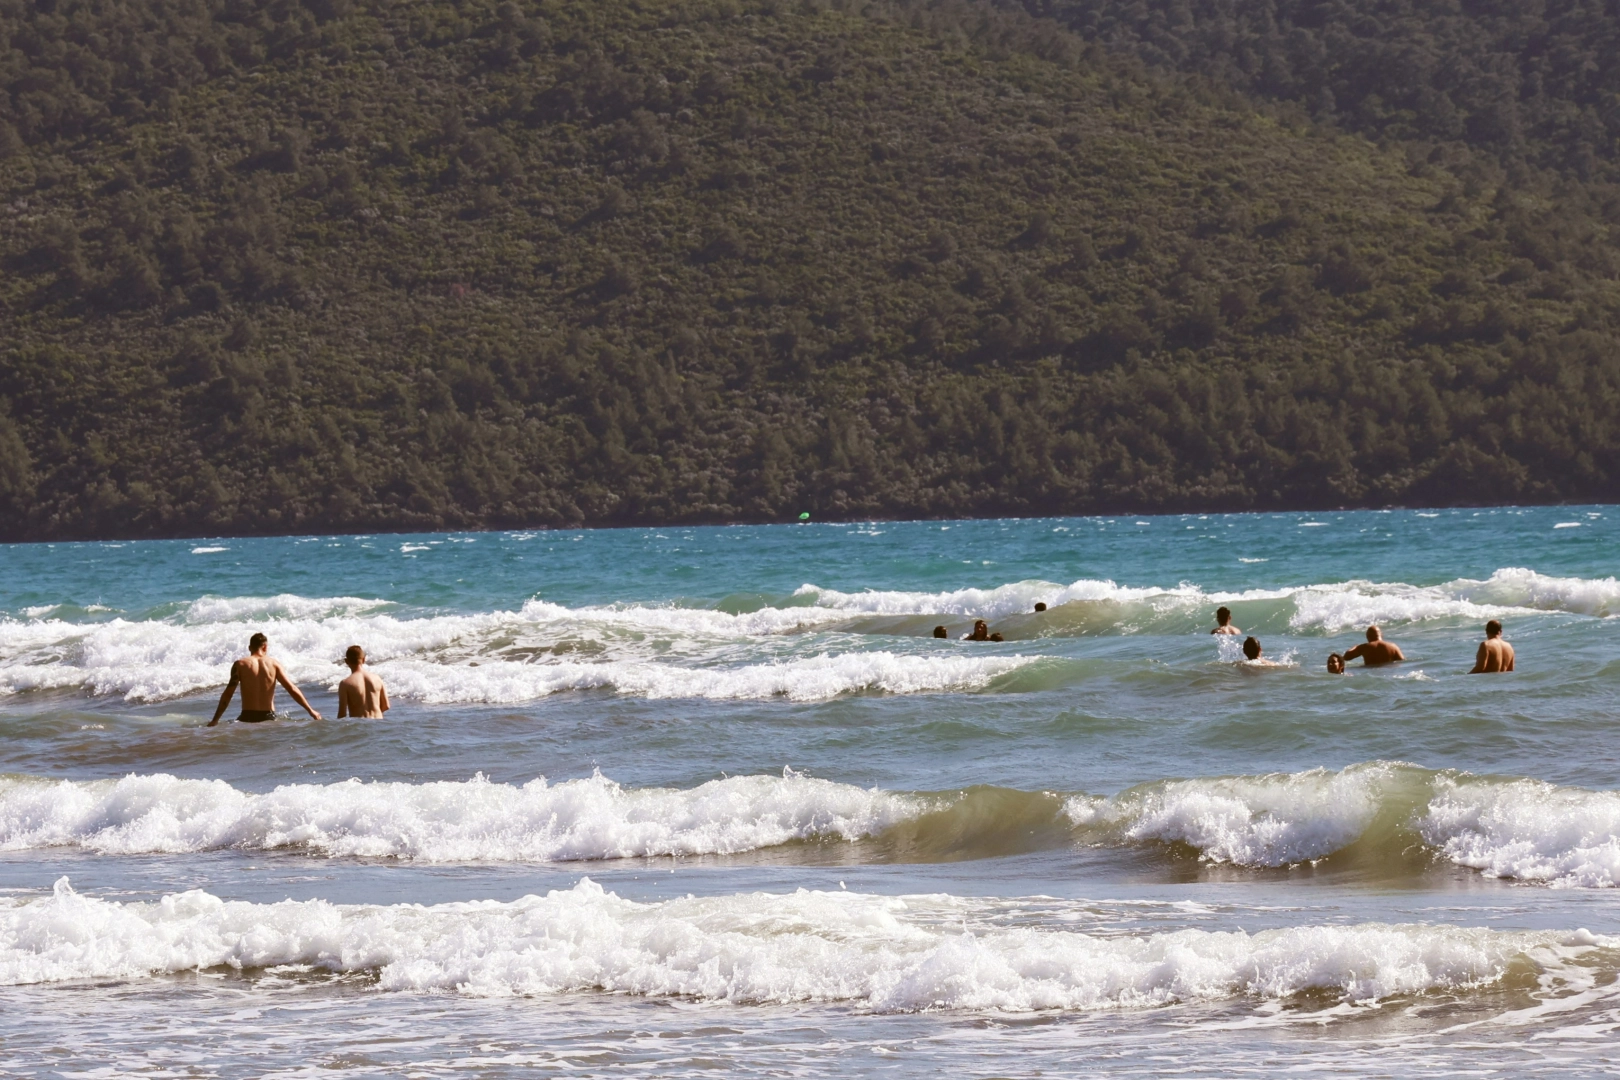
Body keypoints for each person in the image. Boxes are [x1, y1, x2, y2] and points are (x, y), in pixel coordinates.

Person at [208, 632, 322, 726]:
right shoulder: (274, 664)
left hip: (247, 716)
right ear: (265, 646)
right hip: (269, 716)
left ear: (249, 648)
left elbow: (228, 693)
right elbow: (291, 688)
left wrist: (215, 720)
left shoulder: (240, 664)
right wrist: (310, 711)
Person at [337, 645, 390, 718]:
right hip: (378, 723)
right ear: (364, 659)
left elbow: (342, 714)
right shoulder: (377, 678)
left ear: (346, 661)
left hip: (360, 726)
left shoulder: (345, 683)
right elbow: (386, 706)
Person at [1340, 625, 1405, 667]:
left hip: (1370, 672)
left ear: (1368, 637)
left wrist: (1355, 647)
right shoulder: (1393, 646)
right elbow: (1403, 661)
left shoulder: (1364, 647)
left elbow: (1346, 657)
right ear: (1381, 635)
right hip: (1388, 673)